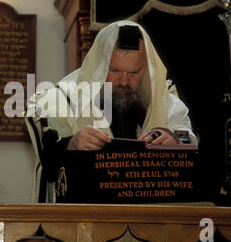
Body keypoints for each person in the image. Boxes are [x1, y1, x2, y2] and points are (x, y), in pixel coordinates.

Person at [25, 20, 197, 202]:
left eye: (134, 73)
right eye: (114, 70)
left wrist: (175, 139)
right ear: (99, 66)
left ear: (147, 69)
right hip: (83, 221)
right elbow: (46, 159)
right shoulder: (61, 100)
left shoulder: (166, 102)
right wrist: (71, 145)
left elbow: (189, 138)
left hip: (149, 222)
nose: (124, 81)